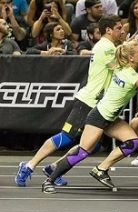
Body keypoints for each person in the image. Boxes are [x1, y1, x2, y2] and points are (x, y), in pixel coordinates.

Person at [41, 40, 138, 194]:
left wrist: (130, 42)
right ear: (131, 58)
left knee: (133, 142)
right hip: (98, 117)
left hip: (110, 119)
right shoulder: (133, 76)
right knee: (82, 152)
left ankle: (101, 169)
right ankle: (48, 180)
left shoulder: (119, 66)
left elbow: (113, 62)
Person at [15, 15, 123, 187]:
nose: (122, 30)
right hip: (88, 101)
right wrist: (133, 46)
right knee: (66, 138)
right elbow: (122, 66)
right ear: (108, 30)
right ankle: (28, 165)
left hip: (100, 105)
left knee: (91, 146)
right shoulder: (107, 47)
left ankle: (54, 168)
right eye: (119, 28)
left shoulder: (109, 46)